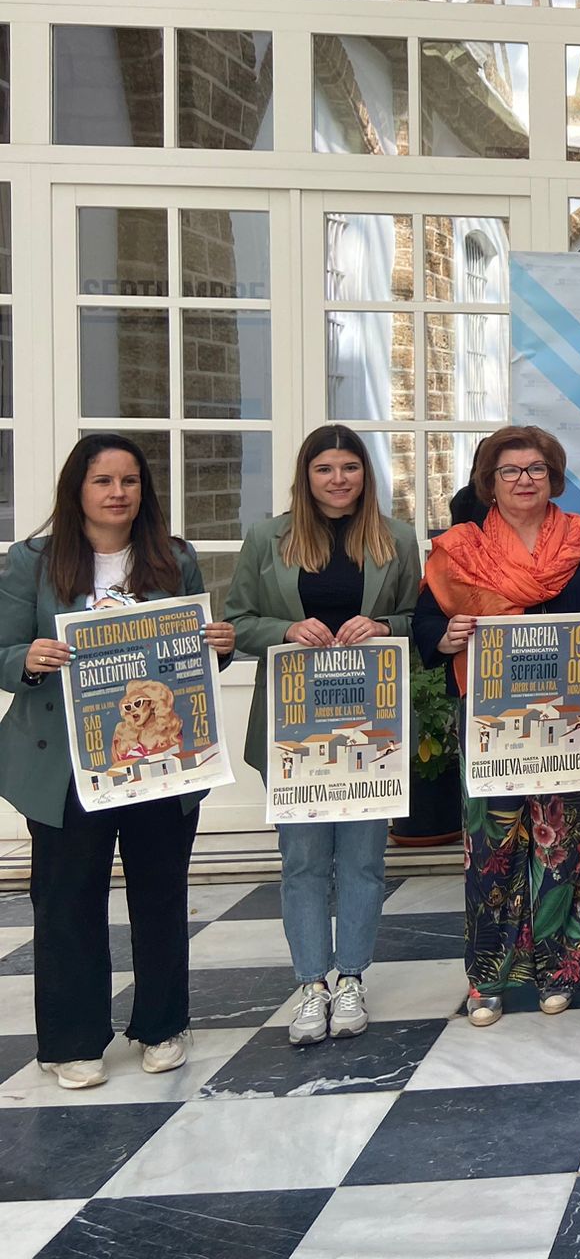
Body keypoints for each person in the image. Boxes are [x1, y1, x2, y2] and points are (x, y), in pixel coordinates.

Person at [0, 434, 235, 1089]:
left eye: (130, 481)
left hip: (160, 761)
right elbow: (2, 648)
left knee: (160, 894)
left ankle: (162, 1026)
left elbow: (192, 661)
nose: (118, 493)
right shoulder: (34, 562)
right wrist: (28, 659)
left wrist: (216, 646)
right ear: (78, 489)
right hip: (65, 765)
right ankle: (71, 1041)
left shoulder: (173, 559)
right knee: (67, 900)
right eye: (104, 481)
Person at [413, 425, 580, 1027]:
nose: (525, 479)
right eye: (511, 471)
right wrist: (445, 635)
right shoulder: (459, 548)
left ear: (553, 476)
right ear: (490, 483)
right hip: (490, 716)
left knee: (565, 844)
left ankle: (560, 970)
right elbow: (428, 623)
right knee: (491, 847)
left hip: (568, 717)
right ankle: (488, 978)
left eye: (536, 469)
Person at [227, 426, 421, 1048]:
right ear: (305, 477)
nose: (338, 479)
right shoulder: (268, 537)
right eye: (324, 469)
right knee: (304, 862)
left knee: (364, 861)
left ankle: (352, 979)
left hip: (371, 727)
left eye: (349, 468)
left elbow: (423, 620)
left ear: (366, 474)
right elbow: (235, 623)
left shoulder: (396, 538)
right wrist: (284, 631)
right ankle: (311, 983)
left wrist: (384, 622)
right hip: (294, 729)